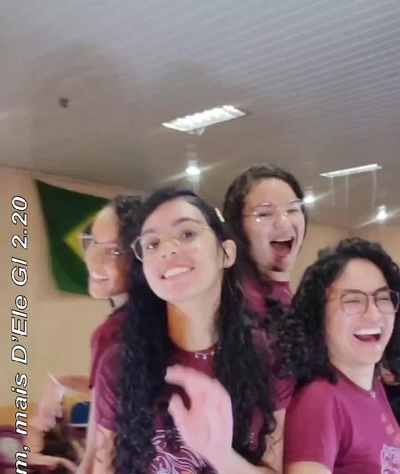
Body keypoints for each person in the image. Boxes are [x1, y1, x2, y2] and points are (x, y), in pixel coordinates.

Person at [92, 187, 293, 474]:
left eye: (187, 234)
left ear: (226, 253)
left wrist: (223, 457)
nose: (168, 249)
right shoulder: (119, 364)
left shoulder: (269, 357)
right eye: (152, 244)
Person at [281, 238, 400, 474]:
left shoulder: (373, 386)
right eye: (353, 301)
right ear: (318, 315)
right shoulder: (320, 401)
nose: (374, 314)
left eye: (382, 298)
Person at [33, 195, 142, 474]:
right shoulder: (124, 325)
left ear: (140, 256)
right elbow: (108, 392)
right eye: (92, 242)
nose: (92, 258)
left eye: (113, 250)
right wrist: (59, 382)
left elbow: (107, 441)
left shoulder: (123, 331)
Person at [223, 164, 307, 320]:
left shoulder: (298, 303)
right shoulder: (230, 307)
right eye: (265, 214)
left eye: (292, 210)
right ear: (237, 227)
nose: (284, 223)